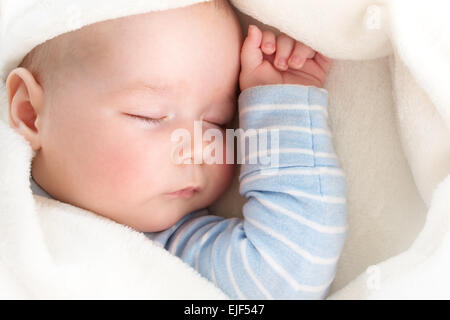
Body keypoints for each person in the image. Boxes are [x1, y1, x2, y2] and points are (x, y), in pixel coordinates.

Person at [6, 0, 347, 299]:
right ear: (30, 113)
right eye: (150, 115)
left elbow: (282, 279)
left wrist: (280, 106)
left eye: (217, 121)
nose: (199, 148)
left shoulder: (168, 248)